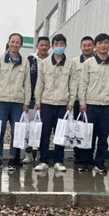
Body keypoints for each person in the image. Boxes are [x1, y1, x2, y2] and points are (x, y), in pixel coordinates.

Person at [78, 33, 109, 173]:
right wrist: (82, 102)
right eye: (100, 43)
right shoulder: (88, 63)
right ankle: (85, 161)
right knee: (88, 135)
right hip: (90, 105)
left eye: (106, 43)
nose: (103, 45)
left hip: (107, 106)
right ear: (95, 46)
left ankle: (100, 162)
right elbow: (83, 84)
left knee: (103, 137)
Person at [33, 34, 77, 172]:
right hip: (46, 103)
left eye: (61, 44)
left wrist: (71, 102)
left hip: (63, 104)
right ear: (52, 46)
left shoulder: (71, 64)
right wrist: (38, 101)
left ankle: (59, 161)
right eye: (56, 44)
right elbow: (40, 83)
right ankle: (43, 160)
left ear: (65, 46)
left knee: (60, 133)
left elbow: (73, 84)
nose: (59, 47)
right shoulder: (45, 63)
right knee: (44, 133)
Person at [0, 33, 31, 171]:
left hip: (18, 102)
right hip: (1, 101)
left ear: (21, 45)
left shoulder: (25, 62)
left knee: (16, 131)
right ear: (8, 43)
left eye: (17, 42)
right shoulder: (0, 60)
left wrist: (26, 102)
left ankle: (13, 158)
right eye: (12, 42)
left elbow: (27, 84)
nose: (14, 45)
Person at [23, 36, 51, 164]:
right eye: (41, 45)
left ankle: (40, 153)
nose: (44, 47)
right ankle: (28, 153)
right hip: (32, 99)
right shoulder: (30, 60)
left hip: (46, 99)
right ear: (37, 46)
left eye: (46, 45)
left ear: (49, 47)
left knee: (43, 128)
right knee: (28, 128)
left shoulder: (52, 60)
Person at [73, 36, 95, 166]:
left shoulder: (97, 61)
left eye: (89, 45)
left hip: (92, 100)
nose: (87, 48)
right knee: (79, 129)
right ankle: (78, 156)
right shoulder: (75, 62)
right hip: (78, 100)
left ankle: (89, 156)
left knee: (90, 130)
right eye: (84, 45)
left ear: (93, 46)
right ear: (80, 47)